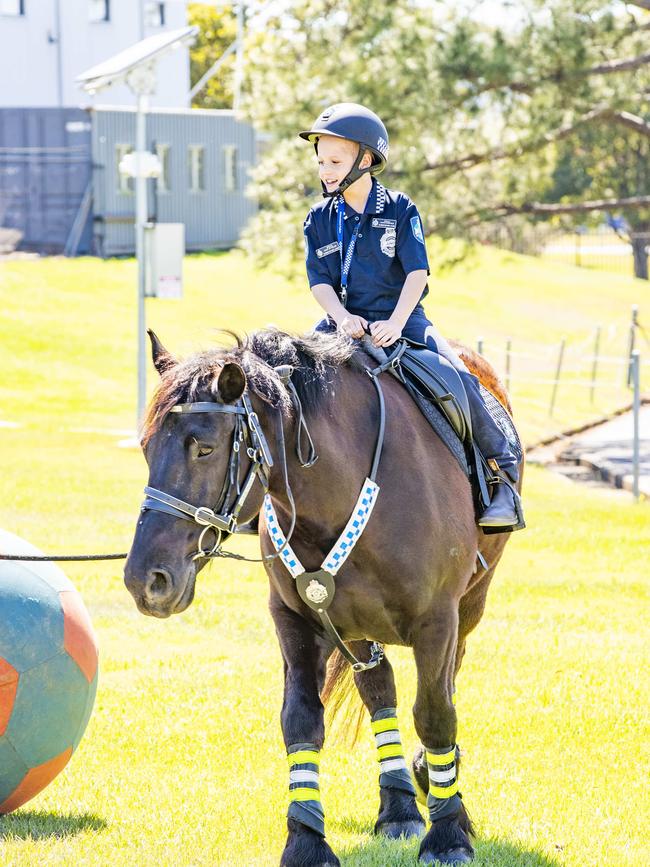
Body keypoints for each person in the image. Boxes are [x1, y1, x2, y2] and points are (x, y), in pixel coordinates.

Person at [299, 102, 524, 531]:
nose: (324, 170)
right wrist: (342, 316)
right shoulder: (319, 218)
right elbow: (319, 282)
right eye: (321, 160)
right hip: (341, 323)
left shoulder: (400, 209)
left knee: (457, 375)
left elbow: (417, 273)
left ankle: (503, 480)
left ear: (365, 160)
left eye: (335, 161)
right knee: (288, 377)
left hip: (403, 318)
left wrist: (396, 324)